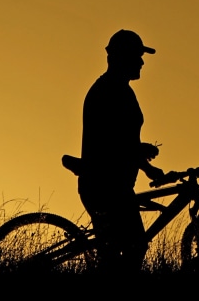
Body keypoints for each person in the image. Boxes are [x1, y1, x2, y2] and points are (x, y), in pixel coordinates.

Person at [78, 29, 165, 272]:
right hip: (106, 185)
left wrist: (146, 167)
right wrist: (140, 150)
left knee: (118, 251)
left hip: (113, 183)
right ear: (121, 57)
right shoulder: (108, 91)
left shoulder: (122, 91)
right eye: (136, 56)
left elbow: (123, 141)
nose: (141, 61)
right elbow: (112, 142)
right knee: (135, 246)